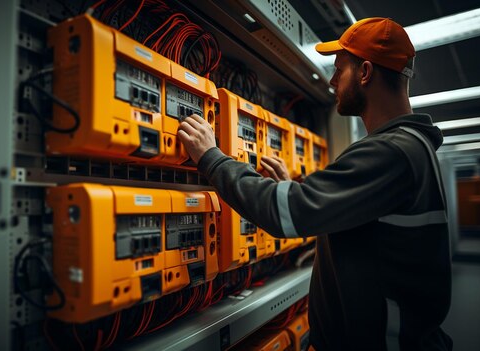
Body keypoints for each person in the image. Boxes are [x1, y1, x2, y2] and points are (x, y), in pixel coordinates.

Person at [177, 17, 452, 351]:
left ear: (365, 73)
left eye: (340, 70)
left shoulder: (392, 151)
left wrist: (211, 157)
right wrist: (299, 189)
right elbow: (366, 225)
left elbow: (284, 214)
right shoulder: (410, 147)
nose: (333, 81)